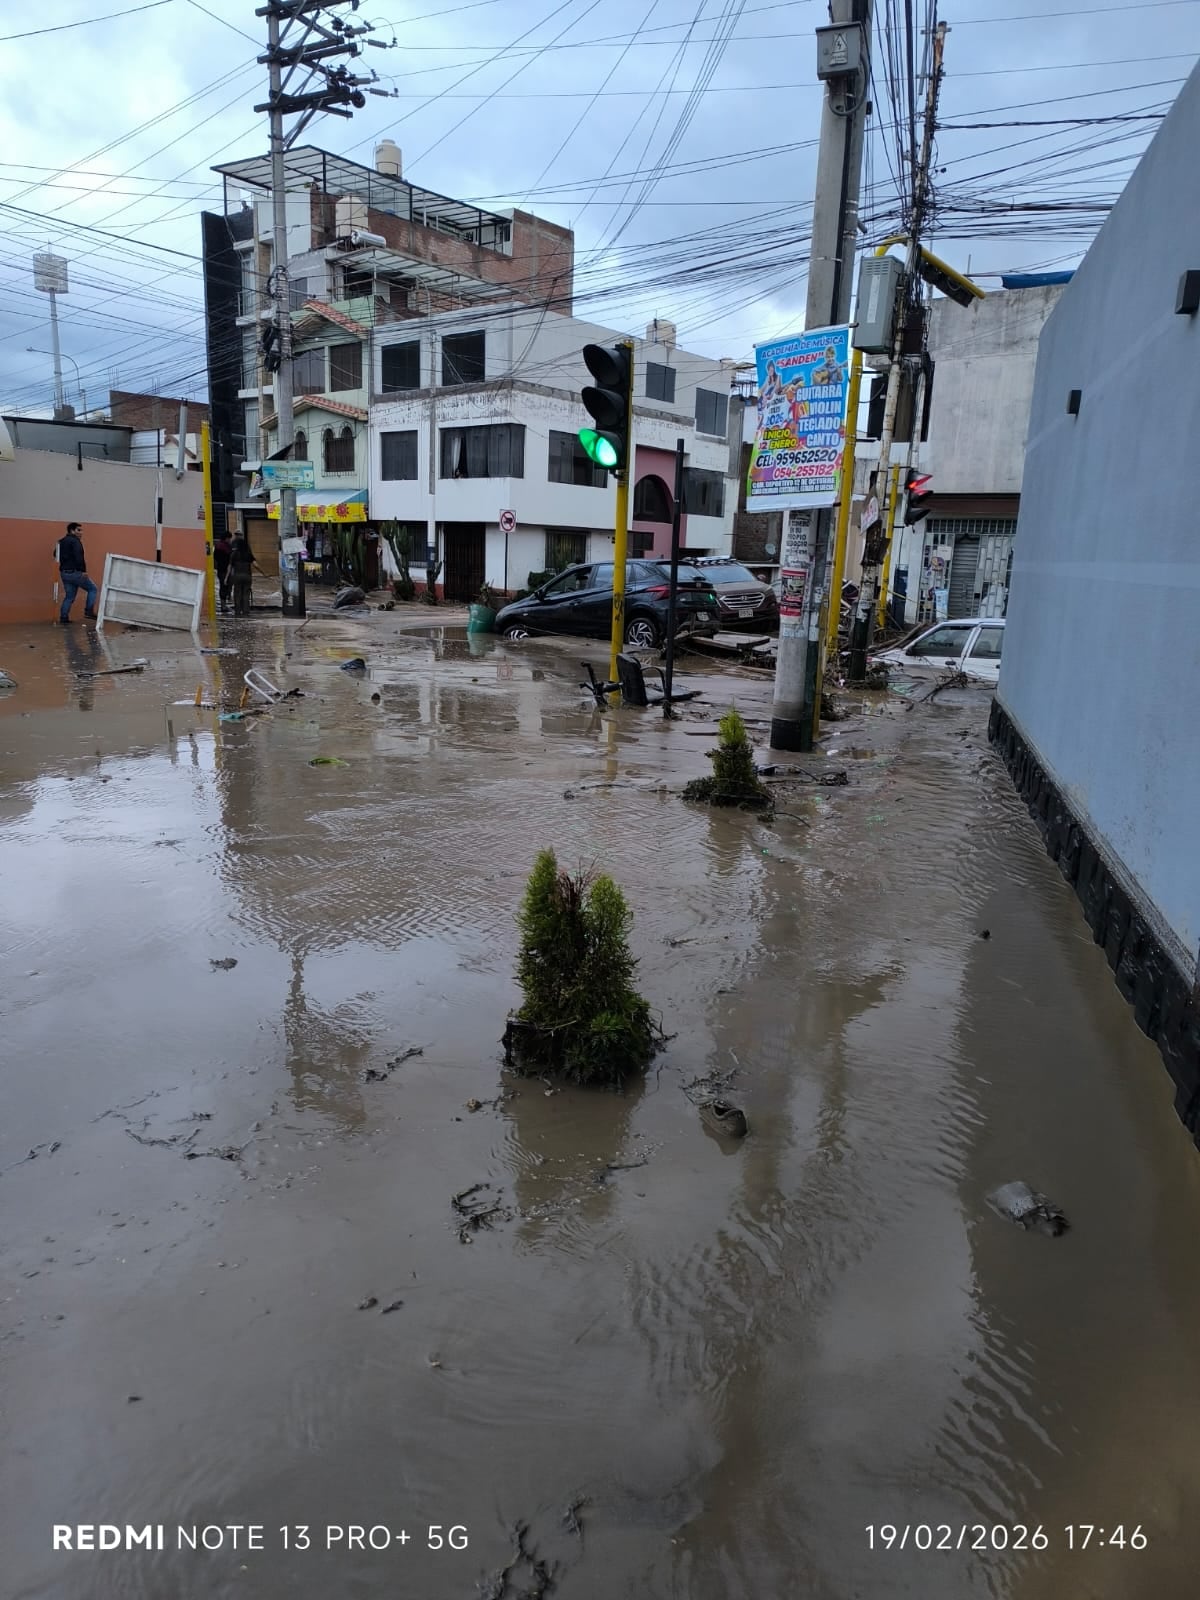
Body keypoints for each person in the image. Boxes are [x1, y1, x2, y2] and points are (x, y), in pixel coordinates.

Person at [55, 522, 99, 624]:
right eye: (78, 530)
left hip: (64, 573)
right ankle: (89, 611)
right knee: (92, 589)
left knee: (69, 596)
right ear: (72, 531)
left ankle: (64, 618)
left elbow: (55, 554)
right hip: (75, 573)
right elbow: (79, 557)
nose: (81, 532)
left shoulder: (62, 541)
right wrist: (83, 571)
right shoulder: (75, 541)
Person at [230, 535, 255, 617]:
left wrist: (226, 578)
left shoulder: (234, 554)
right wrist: (264, 573)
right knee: (246, 594)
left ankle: (237, 611)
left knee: (237, 594)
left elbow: (230, 566)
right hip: (247, 576)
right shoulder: (248, 554)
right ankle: (246, 611)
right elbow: (255, 564)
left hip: (237, 576)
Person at [213, 530, 233, 612]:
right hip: (225, 569)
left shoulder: (218, 546)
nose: (230, 540)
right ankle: (223, 606)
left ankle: (224, 604)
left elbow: (215, 557)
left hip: (220, 569)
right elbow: (230, 558)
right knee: (224, 587)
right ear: (226, 538)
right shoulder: (226, 547)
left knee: (223, 586)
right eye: (229, 538)